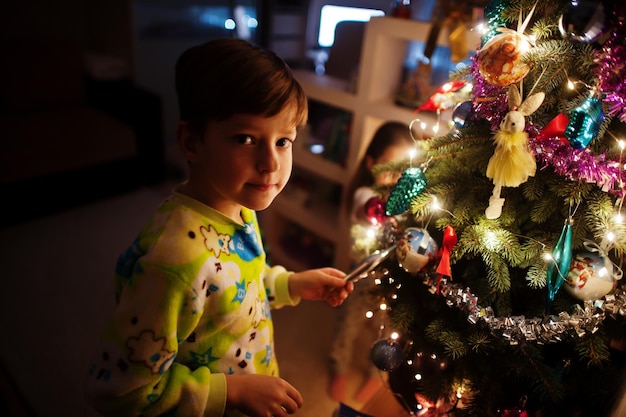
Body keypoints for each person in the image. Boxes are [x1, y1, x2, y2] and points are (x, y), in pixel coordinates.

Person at [84, 38, 353, 417]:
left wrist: (289, 284)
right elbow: (117, 392)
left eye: (283, 141)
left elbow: (235, 284)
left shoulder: (238, 207)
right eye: (246, 139)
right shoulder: (173, 263)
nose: (271, 163)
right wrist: (232, 392)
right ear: (192, 142)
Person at [328, 121, 415, 404]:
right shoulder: (365, 194)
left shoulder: (407, 201)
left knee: (385, 330)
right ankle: (338, 367)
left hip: (392, 281)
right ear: (371, 163)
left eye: (402, 169)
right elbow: (367, 208)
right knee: (348, 324)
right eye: (388, 166)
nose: (394, 176)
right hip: (362, 276)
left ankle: (375, 373)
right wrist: (383, 210)